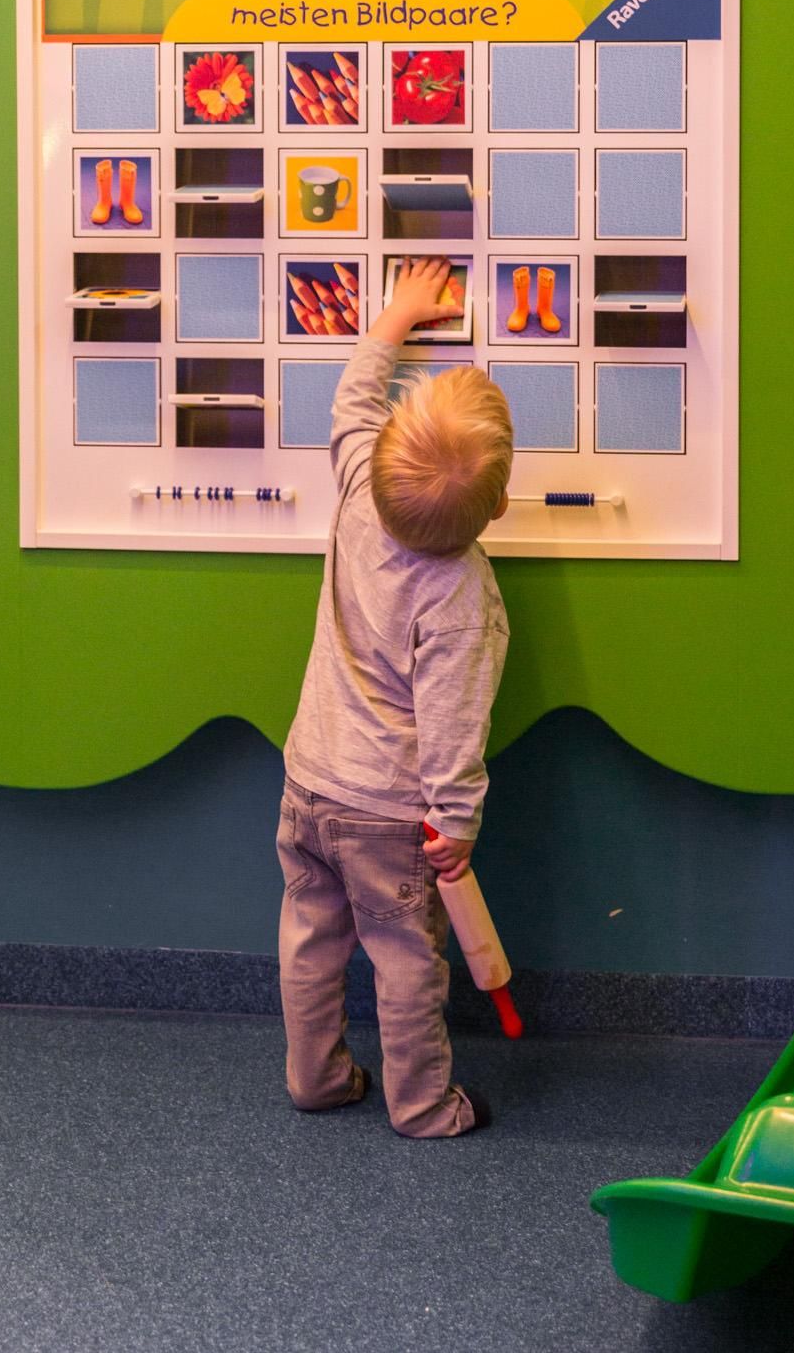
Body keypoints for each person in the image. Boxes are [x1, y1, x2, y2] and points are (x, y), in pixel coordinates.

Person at [278, 255, 513, 1138]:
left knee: (311, 938)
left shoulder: (354, 493)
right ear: (495, 508)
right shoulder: (461, 595)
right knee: (406, 957)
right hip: (388, 812)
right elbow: (454, 727)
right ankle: (420, 1106)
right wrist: (455, 825)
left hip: (308, 781)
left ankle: (315, 1078)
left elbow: (351, 407)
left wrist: (392, 319)